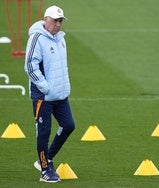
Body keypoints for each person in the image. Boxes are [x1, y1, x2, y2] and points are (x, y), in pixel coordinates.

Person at [24, 5, 75, 183]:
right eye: (55, 20)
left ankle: (45, 159)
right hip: (43, 97)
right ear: (46, 19)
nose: (58, 24)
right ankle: (45, 171)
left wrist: (62, 87)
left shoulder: (61, 39)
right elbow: (30, 66)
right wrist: (45, 87)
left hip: (60, 95)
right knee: (43, 133)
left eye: (60, 21)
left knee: (69, 125)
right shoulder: (37, 38)